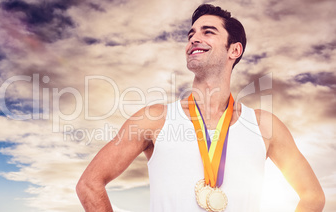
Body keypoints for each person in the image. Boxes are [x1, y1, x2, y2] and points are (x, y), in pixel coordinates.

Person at [76, 4, 325, 212]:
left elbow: (312, 196)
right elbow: (90, 183)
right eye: (191, 34)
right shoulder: (155, 119)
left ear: (234, 50)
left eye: (208, 32)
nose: (194, 38)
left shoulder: (265, 126)